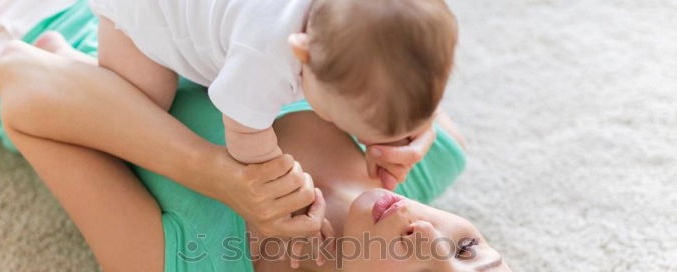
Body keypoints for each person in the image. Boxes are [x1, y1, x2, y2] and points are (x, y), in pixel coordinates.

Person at [0, 1, 551, 272]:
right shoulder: (433, 151)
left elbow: (20, 82)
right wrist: (412, 125)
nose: (427, 235)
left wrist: (216, 173)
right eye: (470, 249)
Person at [90, 0, 458, 192]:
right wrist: (277, 176)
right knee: (139, 110)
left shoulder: (336, 26)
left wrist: (398, 127)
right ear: (302, 53)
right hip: (147, 16)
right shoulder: (265, 56)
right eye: (335, 116)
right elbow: (245, 134)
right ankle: (66, 61)